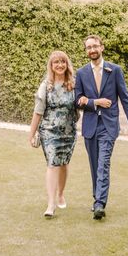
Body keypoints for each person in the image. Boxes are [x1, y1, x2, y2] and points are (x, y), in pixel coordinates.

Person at [75, 34, 128, 220]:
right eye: (88, 47)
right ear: (86, 50)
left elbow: (125, 97)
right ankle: (97, 199)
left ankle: (100, 203)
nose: (92, 50)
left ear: (102, 47)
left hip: (109, 126)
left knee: (103, 163)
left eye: (95, 46)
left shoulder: (115, 70)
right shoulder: (81, 73)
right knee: (95, 165)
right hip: (90, 126)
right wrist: (95, 102)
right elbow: (77, 100)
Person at [28, 51, 77, 218]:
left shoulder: (73, 84)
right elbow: (38, 111)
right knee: (52, 163)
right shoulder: (45, 85)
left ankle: (61, 194)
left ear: (67, 64)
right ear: (51, 65)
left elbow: (80, 108)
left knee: (63, 164)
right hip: (49, 131)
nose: (60, 65)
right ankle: (50, 204)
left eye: (63, 62)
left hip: (69, 132)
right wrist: (32, 133)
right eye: (56, 62)